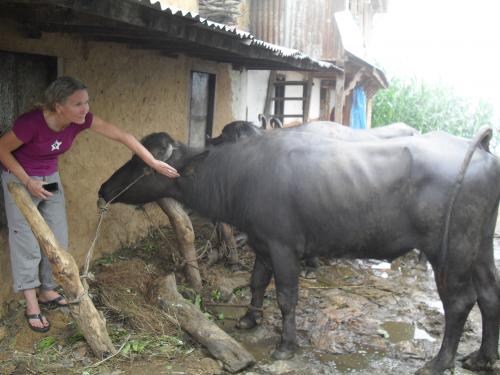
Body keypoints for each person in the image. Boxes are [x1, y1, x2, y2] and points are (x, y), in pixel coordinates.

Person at [0, 76, 179, 332]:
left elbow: (122, 135)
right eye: (78, 104)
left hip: (49, 179)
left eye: (87, 101)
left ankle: (47, 291)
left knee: (57, 237)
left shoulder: (80, 122)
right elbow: (2, 149)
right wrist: (27, 182)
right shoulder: (32, 123)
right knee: (25, 242)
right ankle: (31, 305)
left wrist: (152, 161)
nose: (85, 108)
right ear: (58, 106)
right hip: (19, 182)